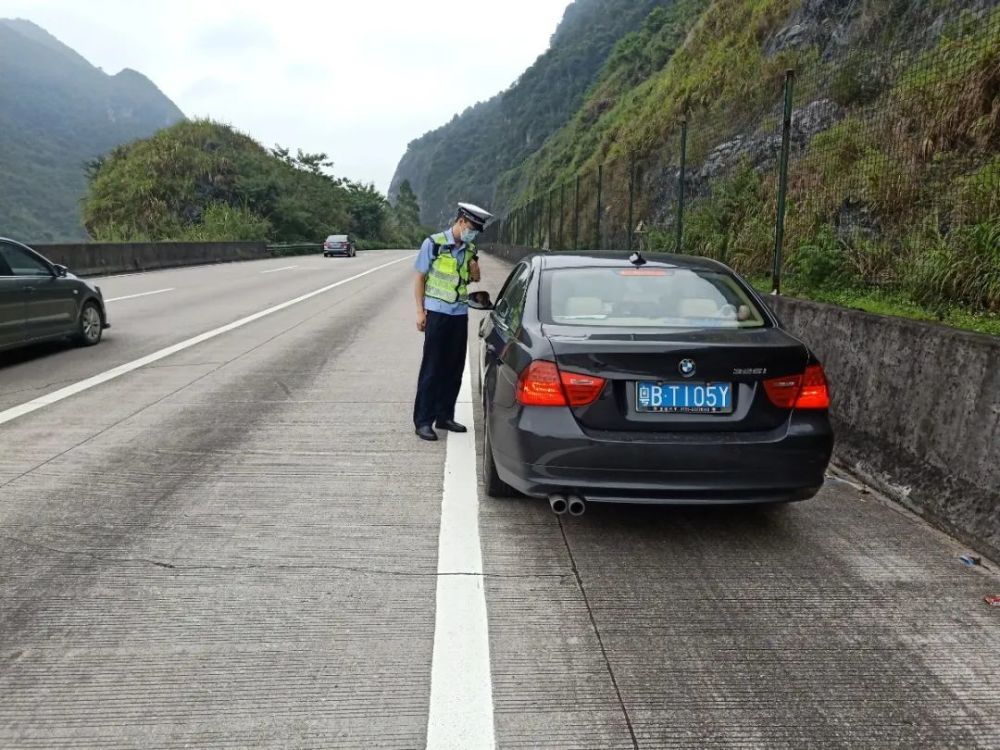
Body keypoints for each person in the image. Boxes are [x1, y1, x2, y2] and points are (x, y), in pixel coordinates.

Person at [413, 202, 493, 441]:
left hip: (459, 314)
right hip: (436, 314)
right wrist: (420, 312)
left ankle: (444, 416)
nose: (473, 233)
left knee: (454, 368)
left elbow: (470, 281)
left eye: (477, 231)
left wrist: (475, 271)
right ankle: (423, 421)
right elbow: (419, 279)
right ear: (461, 221)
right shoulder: (434, 243)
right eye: (471, 228)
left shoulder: (470, 250)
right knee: (432, 367)